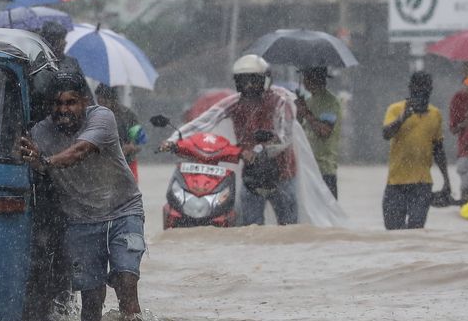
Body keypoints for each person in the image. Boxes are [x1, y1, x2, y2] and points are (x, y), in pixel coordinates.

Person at [19, 72, 145, 321]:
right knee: (90, 298)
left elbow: (79, 151)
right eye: (57, 104)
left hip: (123, 211)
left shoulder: (102, 118)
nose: (63, 110)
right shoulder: (40, 133)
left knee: (126, 281)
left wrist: (43, 161)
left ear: (85, 102)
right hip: (80, 219)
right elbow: (22, 153)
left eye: (70, 102)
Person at [164, 54, 299, 226]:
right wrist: (173, 139)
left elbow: (285, 134)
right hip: (252, 174)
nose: (248, 86)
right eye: (243, 81)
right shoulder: (235, 103)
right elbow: (204, 121)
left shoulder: (280, 101)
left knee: (289, 226)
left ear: (265, 80)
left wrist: (265, 148)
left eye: (253, 80)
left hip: (281, 174)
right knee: (250, 227)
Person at [382, 71, 451, 230]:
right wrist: (402, 119)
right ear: (410, 88)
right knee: (393, 231)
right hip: (396, 182)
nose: (421, 92)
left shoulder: (435, 114)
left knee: (415, 230)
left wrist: (446, 181)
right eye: (417, 88)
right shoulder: (395, 109)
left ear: (431, 90)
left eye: (425, 88)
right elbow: (386, 134)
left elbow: (438, 149)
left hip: (422, 185)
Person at [295, 66, 342, 198]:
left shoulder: (331, 102)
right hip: (307, 169)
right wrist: (298, 113)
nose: (304, 81)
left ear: (314, 78)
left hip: (324, 171)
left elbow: (324, 131)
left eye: (306, 77)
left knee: (327, 216)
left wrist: (306, 112)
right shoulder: (308, 101)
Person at [94, 84, 146, 182]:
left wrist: (131, 147)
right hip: (102, 167)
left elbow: (139, 141)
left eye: (104, 100)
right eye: (99, 100)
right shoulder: (93, 115)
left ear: (113, 99)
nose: (101, 103)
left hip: (127, 165)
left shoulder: (128, 115)